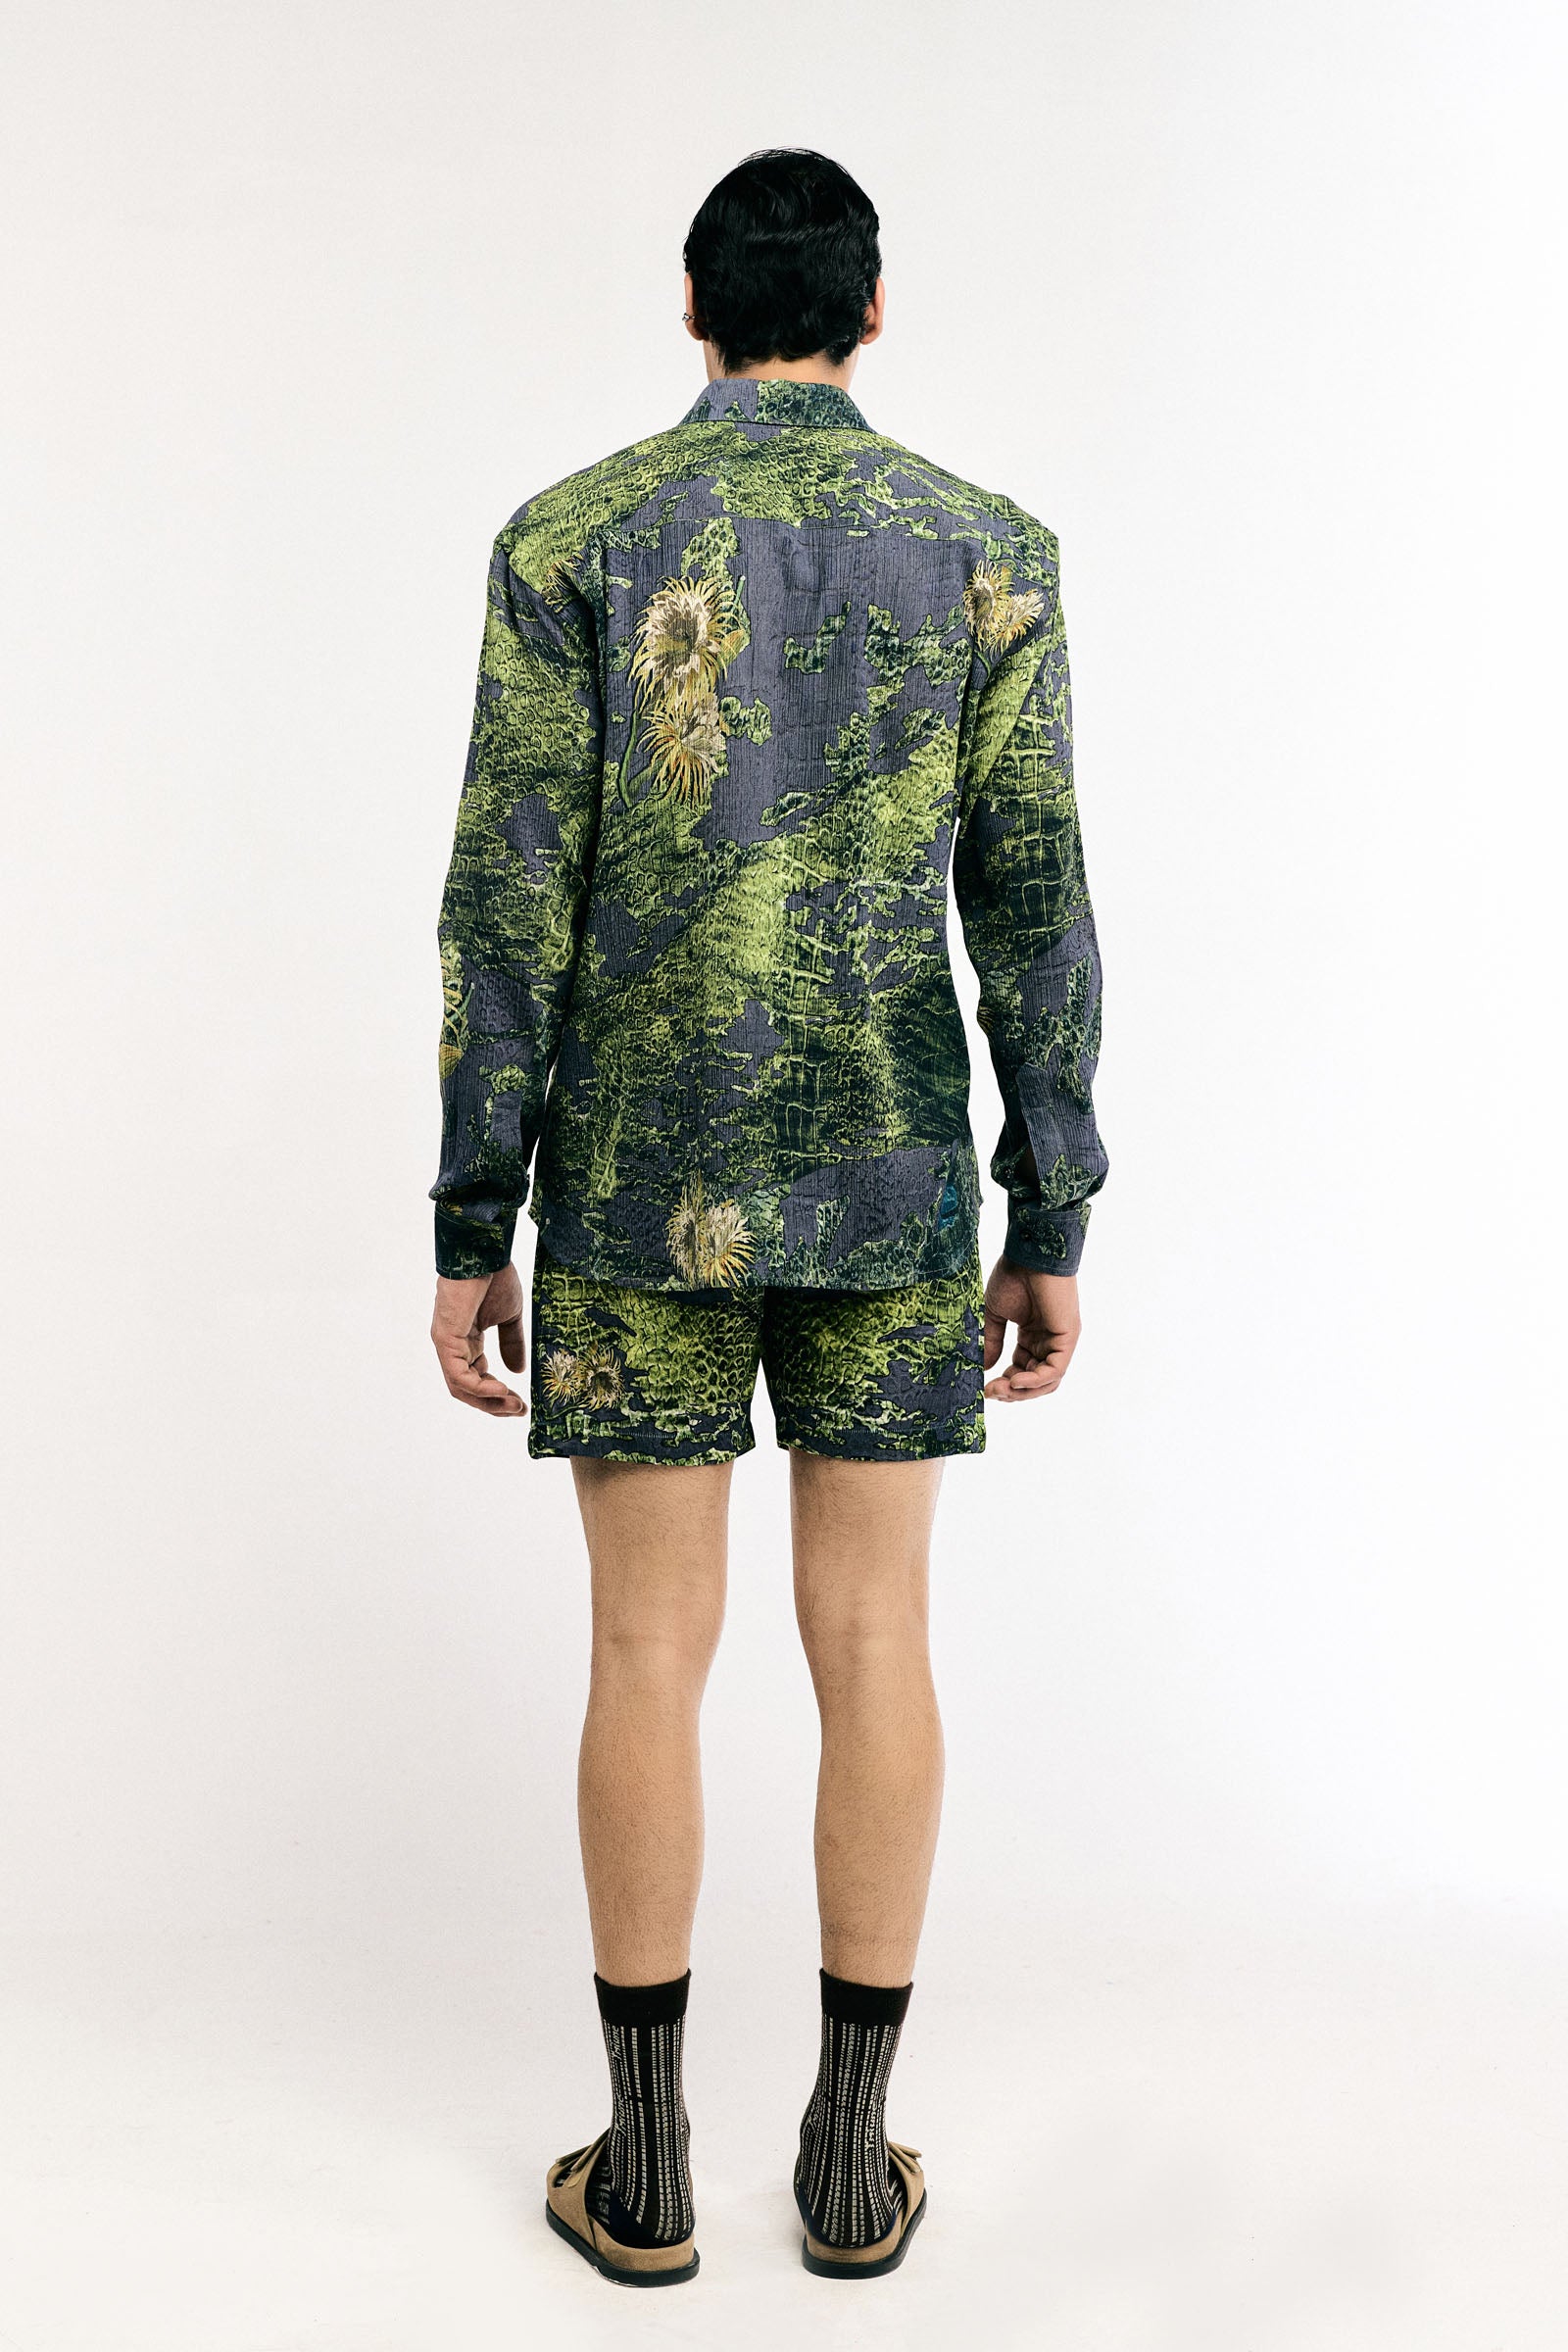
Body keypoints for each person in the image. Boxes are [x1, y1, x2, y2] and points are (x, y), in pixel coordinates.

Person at [428, 147, 1107, 2286]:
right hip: (891, 1182)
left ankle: (641, 2172)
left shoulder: (571, 541)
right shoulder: (988, 555)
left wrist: (470, 1216)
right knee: (876, 1637)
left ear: (695, 308)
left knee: (645, 1643)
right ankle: (844, 2154)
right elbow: (1035, 908)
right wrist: (1053, 1206)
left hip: (637, 1189)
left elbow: (502, 902)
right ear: (872, 312)